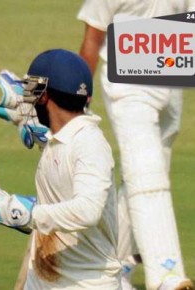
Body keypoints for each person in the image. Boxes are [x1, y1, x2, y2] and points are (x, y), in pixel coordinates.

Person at [0, 49, 122, 289]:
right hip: (45, 280)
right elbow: (54, 142)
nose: (26, 99)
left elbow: (88, 210)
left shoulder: (90, 144)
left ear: (43, 97)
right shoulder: (60, 139)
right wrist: (25, 118)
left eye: (30, 92)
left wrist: (15, 210)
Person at [77, 1, 194, 290]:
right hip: (127, 79)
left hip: (171, 71)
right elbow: (92, 38)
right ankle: (167, 275)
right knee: (146, 173)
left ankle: (114, 265)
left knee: (148, 174)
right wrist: (77, 101)